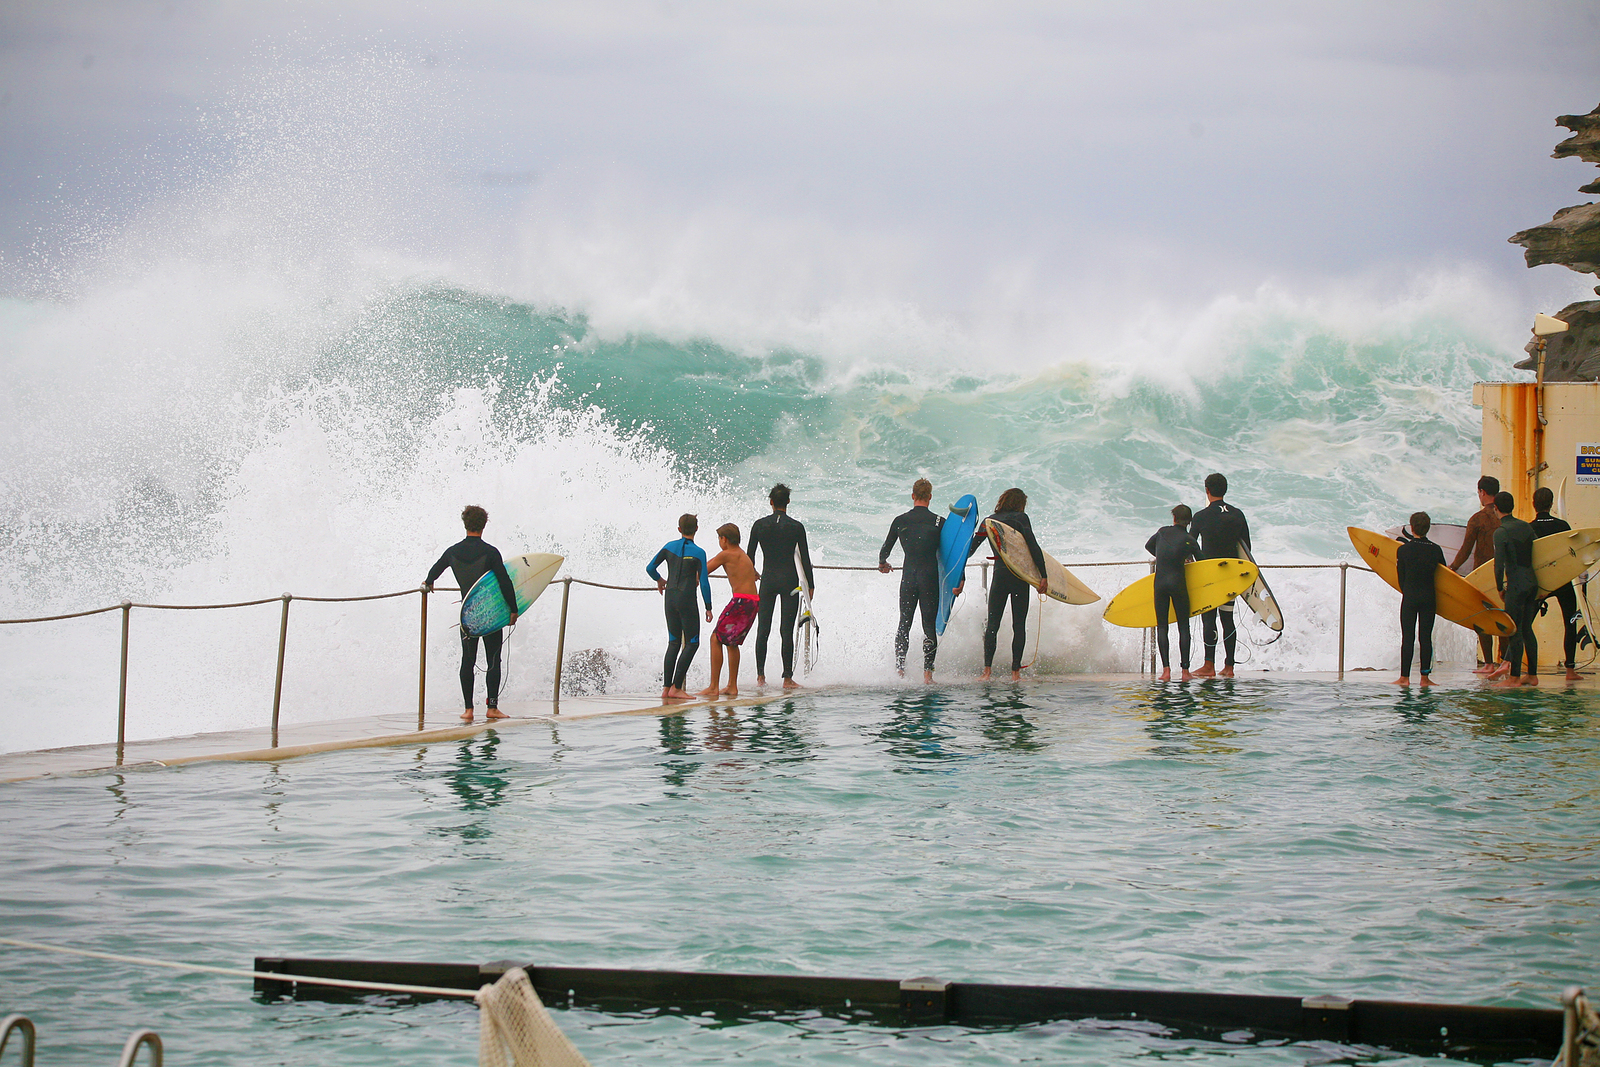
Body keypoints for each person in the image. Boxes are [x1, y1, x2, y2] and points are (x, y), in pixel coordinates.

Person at [424, 505, 519, 722]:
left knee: (467, 660)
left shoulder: (452, 552)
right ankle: (492, 708)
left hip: (467, 616)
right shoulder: (491, 552)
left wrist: (428, 582)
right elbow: (504, 581)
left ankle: (468, 710)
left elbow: (434, 571)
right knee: (493, 659)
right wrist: (513, 609)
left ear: (465, 524)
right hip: (491, 615)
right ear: (484, 525)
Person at [966, 487, 1048, 681]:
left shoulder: (989, 521)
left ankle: (986, 672)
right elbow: (1033, 546)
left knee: (992, 625)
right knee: (1018, 626)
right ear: (1020, 503)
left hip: (1000, 576)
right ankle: (1015, 673)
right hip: (1019, 578)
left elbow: (970, 549)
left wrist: (955, 556)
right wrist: (1043, 575)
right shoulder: (1021, 519)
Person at [747, 484, 816, 688]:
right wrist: (810, 585)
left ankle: (761, 677)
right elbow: (805, 559)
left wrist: (752, 574)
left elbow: (749, 557)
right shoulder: (796, 527)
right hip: (789, 581)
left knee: (763, 629)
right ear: (788, 502)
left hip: (767, 581)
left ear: (771, 502)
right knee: (786, 630)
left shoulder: (759, 525)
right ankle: (787, 678)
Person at [879, 478, 944, 682]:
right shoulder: (940, 522)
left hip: (909, 578)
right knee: (929, 626)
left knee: (904, 623)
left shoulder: (900, 520)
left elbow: (885, 550)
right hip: (929, 578)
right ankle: (927, 675)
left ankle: (900, 670)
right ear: (930, 497)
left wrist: (883, 563)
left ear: (913, 496)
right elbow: (952, 555)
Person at [646, 514, 714, 701]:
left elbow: (650, 568)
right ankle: (677, 687)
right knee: (692, 643)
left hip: (670, 598)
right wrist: (708, 606)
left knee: (674, 643)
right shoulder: (699, 552)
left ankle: (666, 688)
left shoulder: (669, 547)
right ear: (697, 529)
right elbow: (705, 583)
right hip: (687, 600)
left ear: (679, 529)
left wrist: (659, 580)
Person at [1188, 473, 1250, 677]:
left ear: (1207, 490)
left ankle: (1209, 665)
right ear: (1225, 489)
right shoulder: (1238, 514)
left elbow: (1189, 545)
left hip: (1210, 575)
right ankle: (1229, 666)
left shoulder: (1200, 516)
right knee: (1227, 618)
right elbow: (1246, 549)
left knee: (1209, 618)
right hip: (1231, 575)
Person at [698, 523, 760, 698]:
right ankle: (732, 686)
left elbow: (704, 570)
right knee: (731, 643)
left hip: (741, 601)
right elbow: (754, 575)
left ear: (724, 539)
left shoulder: (726, 554)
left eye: (719, 538)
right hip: (753, 602)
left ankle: (713, 687)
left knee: (715, 638)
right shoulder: (743, 555)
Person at [1531, 486, 1584, 682]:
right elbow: (1571, 554)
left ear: (1534, 504)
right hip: (1562, 580)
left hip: (1541, 584)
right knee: (1570, 622)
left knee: (1525, 625)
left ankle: (1512, 666)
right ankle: (1570, 671)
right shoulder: (1563, 526)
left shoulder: (1530, 527)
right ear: (1551, 504)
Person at [1451, 475, 1503, 673]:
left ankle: (1489, 663)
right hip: (1503, 574)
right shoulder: (1504, 517)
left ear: (1482, 492)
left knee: (1482, 618)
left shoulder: (1477, 519)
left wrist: (1453, 568)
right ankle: (1504, 663)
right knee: (1502, 616)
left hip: (1482, 574)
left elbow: (1466, 550)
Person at [1146, 504, 1200, 682]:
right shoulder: (1189, 539)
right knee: (1183, 627)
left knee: (1162, 627)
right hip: (1178, 584)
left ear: (1174, 518)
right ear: (1189, 522)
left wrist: (1162, 556)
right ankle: (1185, 672)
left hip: (1160, 584)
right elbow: (1203, 562)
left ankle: (1166, 671)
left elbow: (1148, 546)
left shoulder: (1162, 532)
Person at [1393, 511, 1444, 687]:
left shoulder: (1403, 550)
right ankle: (1425, 678)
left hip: (1410, 597)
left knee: (1408, 637)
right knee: (1425, 637)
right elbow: (1444, 576)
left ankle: (1404, 678)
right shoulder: (1436, 550)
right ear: (1428, 528)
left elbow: (1401, 579)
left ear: (1411, 527)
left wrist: (1408, 591)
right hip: (1429, 597)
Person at [1493, 491, 1538, 687]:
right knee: (1527, 628)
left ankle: (1514, 678)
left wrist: (1500, 587)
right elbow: (1539, 550)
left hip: (1516, 586)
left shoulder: (1501, 532)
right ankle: (1533, 675)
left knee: (1514, 630)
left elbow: (1499, 565)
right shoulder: (1526, 527)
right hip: (1532, 583)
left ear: (1496, 509)